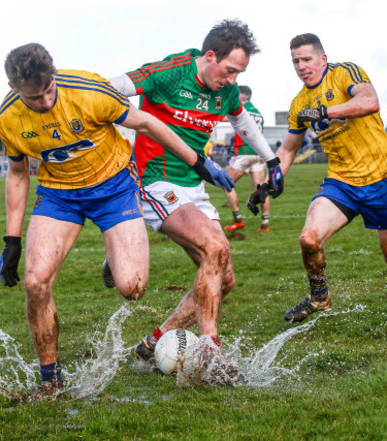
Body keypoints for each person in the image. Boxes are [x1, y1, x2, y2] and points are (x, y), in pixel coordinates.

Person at [0, 43, 233, 401]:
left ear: (54, 75)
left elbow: (148, 123)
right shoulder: (9, 118)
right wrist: (11, 241)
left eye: (49, 91)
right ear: (15, 89)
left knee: (132, 288)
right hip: (60, 195)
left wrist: (199, 162)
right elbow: (17, 175)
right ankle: (51, 380)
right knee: (35, 283)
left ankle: (115, 254)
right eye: (34, 97)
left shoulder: (89, 91)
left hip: (114, 188)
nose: (45, 102)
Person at [108, 19, 283, 372]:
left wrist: (273, 159)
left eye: (240, 73)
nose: (233, 80)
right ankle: (212, 355)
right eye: (230, 70)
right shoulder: (171, 72)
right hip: (156, 181)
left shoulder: (227, 90)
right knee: (215, 248)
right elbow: (113, 88)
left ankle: (154, 342)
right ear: (209, 56)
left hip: (194, 185)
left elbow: (243, 122)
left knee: (225, 278)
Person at [247, 33, 387, 323]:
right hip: (340, 182)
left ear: (322, 59)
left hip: (381, 178)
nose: (301, 66)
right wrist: (267, 184)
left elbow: (370, 101)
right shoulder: (299, 104)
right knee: (309, 238)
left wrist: (325, 110)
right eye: (295, 61)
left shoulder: (345, 73)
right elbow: (288, 149)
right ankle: (319, 297)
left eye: (306, 59)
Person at [222, 85, 271, 233]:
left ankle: (238, 219)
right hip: (259, 154)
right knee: (261, 188)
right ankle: (265, 224)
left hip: (244, 152)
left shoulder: (241, 110)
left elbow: (222, 118)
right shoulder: (258, 113)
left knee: (226, 183)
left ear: (239, 97)